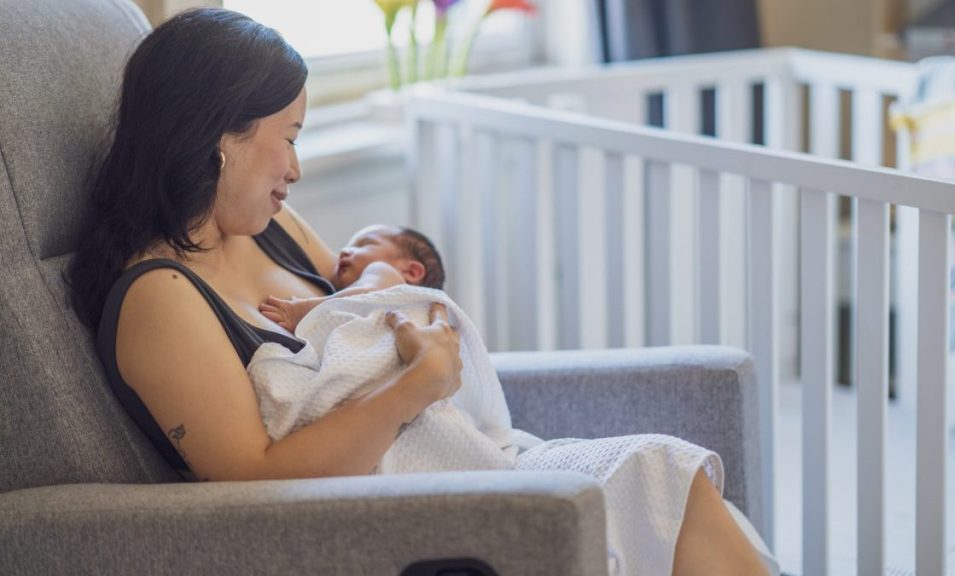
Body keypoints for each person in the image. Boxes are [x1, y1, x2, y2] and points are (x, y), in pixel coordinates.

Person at [67, 8, 771, 575]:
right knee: (654, 477)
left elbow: (375, 305)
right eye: (289, 136)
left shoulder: (267, 224)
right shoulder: (158, 299)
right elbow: (252, 481)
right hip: (379, 516)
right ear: (220, 135)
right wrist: (415, 385)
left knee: (667, 476)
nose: (297, 168)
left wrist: (425, 336)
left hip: (460, 458)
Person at [258, 224, 445, 333]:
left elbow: (366, 297)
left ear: (411, 271)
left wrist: (303, 311)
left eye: (364, 244)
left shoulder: (386, 273)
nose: (345, 251)